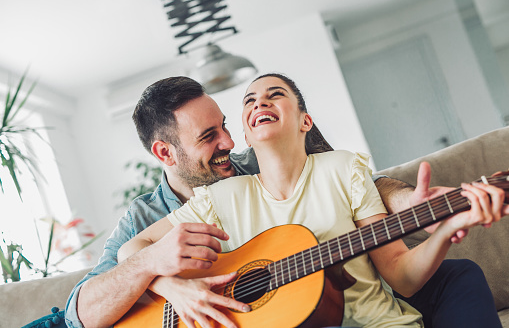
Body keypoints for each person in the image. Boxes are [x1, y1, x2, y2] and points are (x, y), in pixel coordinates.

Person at [64, 75, 505, 328]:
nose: (229, 142)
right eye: (210, 135)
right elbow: (107, 284)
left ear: (304, 121)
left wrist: (412, 202)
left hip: (345, 308)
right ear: (164, 154)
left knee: (459, 274)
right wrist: (170, 284)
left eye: (225, 125)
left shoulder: (323, 167)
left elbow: (357, 187)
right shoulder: (208, 199)